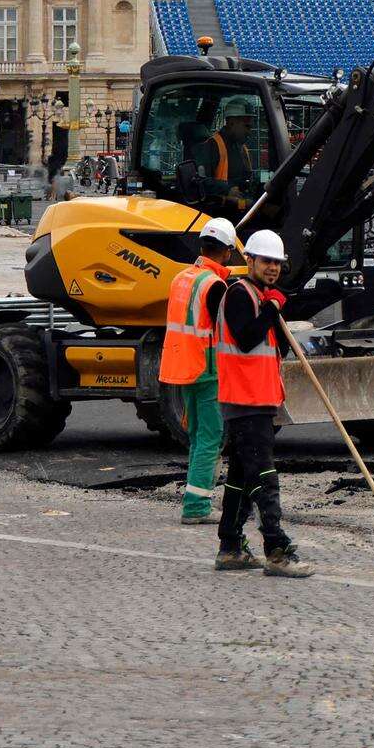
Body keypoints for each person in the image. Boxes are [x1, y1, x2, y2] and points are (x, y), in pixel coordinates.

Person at [211, 228, 309, 577]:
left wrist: (276, 309)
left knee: (240, 476)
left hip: (260, 400)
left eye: (277, 263)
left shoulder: (260, 296)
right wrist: (272, 306)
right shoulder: (240, 294)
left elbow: (273, 349)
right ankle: (277, 549)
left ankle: (230, 547)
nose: (272, 268)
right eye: (266, 261)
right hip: (245, 401)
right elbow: (248, 338)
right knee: (263, 476)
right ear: (249, 259)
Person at [159, 218, 237, 523]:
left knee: (197, 436)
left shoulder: (182, 278)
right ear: (227, 252)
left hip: (182, 366)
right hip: (206, 369)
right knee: (210, 437)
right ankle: (196, 507)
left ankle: (196, 498)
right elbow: (226, 328)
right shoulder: (214, 285)